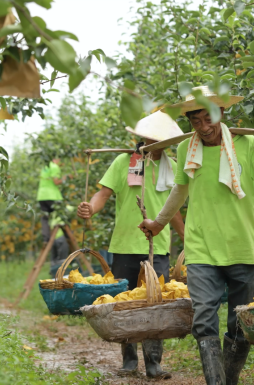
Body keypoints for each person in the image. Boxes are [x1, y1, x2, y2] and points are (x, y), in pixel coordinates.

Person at [139, 86, 254, 385]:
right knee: (204, 319)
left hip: (243, 247)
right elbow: (179, 192)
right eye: (196, 122)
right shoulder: (185, 150)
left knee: (240, 323)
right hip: (202, 249)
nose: (204, 128)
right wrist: (158, 223)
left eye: (209, 119)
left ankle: (229, 379)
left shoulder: (247, 144)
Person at [77, 111, 186, 380]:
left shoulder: (172, 167)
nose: (153, 141)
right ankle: (128, 360)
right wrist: (91, 208)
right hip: (124, 243)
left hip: (157, 245)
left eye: (160, 138)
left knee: (154, 304)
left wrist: (187, 238)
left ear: (168, 142)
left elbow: (175, 210)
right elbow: (103, 193)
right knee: (125, 304)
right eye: (149, 136)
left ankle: (154, 362)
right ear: (141, 137)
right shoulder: (125, 161)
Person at [36, 158, 64, 244]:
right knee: (62, 215)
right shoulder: (54, 167)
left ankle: (46, 239)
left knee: (45, 218)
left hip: (41, 196)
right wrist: (66, 178)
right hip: (52, 196)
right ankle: (65, 236)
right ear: (57, 159)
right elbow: (56, 182)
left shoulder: (45, 167)